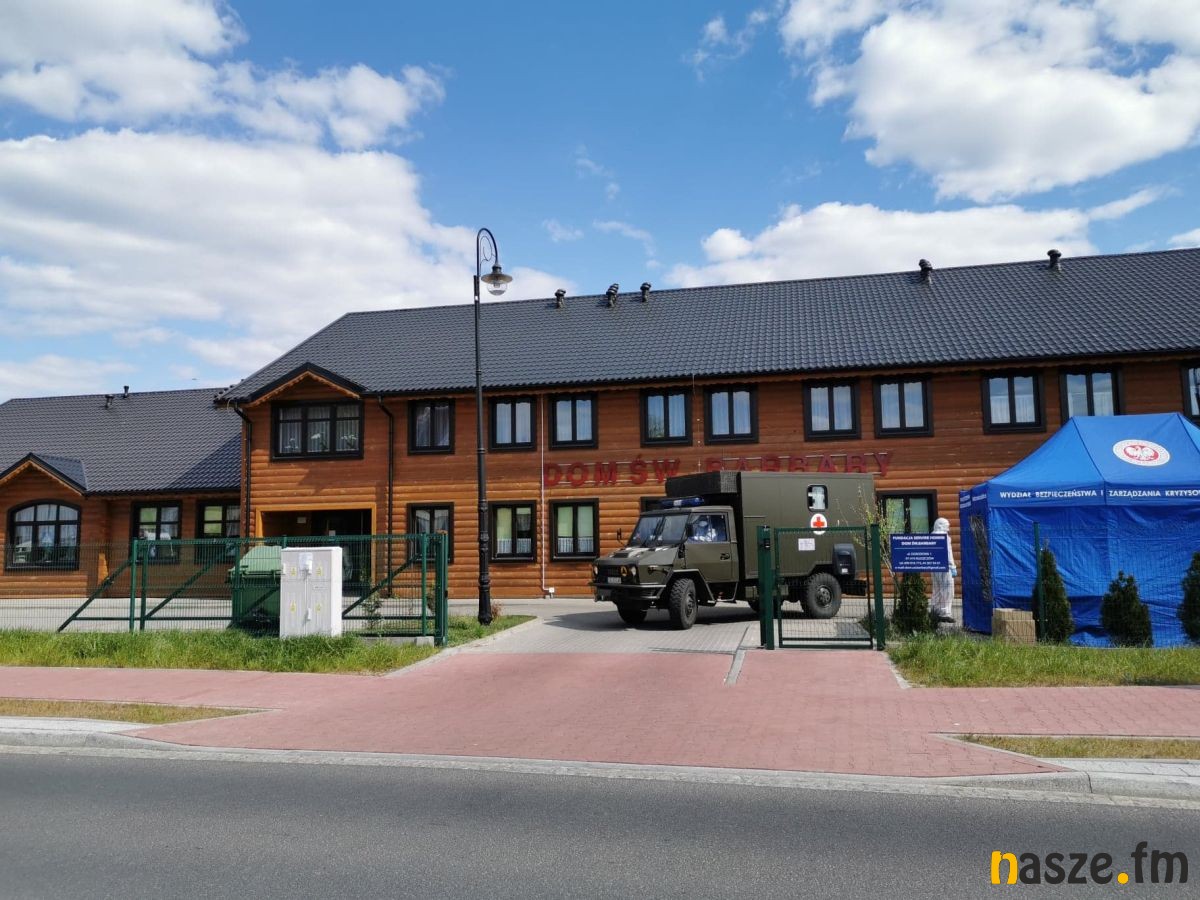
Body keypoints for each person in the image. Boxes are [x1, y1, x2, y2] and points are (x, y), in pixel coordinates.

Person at [930, 517, 957, 623]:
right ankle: (945, 613)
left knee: (936, 589)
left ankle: (935, 610)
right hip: (945, 567)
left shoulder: (931, 536)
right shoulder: (944, 537)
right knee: (948, 590)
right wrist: (953, 566)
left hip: (934, 567)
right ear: (940, 525)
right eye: (946, 525)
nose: (948, 528)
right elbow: (948, 553)